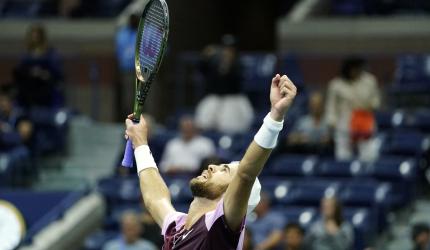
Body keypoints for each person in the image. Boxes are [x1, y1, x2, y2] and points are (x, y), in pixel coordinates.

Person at [124, 73, 297, 249]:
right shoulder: (178, 228)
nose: (213, 167)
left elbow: (245, 174)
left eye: (225, 170)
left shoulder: (219, 228)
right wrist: (140, 143)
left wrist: (275, 117)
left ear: (233, 192)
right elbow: (156, 199)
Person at [195, 35, 254, 134]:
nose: (227, 51)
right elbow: (201, 69)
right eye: (225, 48)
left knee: (230, 126)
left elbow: (238, 80)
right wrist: (204, 57)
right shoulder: (214, 62)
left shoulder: (240, 63)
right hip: (215, 98)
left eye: (231, 49)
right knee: (202, 122)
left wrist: (228, 65)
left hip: (233, 99)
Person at [325, 57, 380, 162]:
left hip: (365, 123)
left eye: (357, 69)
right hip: (344, 124)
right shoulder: (336, 85)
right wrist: (332, 125)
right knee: (343, 157)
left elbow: (376, 102)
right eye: (352, 69)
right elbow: (331, 108)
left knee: (369, 157)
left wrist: (369, 107)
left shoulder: (369, 81)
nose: (355, 72)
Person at [14, 24, 64, 108]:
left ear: (42, 37)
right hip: (29, 88)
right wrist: (30, 73)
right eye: (32, 36)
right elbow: (21, 71)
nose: (34, 38)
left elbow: (56, 72)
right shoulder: (26, 55)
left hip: (45, 89)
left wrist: (43, 74)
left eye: (37, 36)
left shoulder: (50, 54)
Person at [115, 13, 139, 119]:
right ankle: (129, 120)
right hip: (128, 71)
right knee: (128, 98)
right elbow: (120, 54)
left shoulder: (146, 32)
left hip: (144, 71)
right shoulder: (122, 35)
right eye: (132, 20)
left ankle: (145, 120)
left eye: (136, 20)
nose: (134, 21)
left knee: (144, 98)